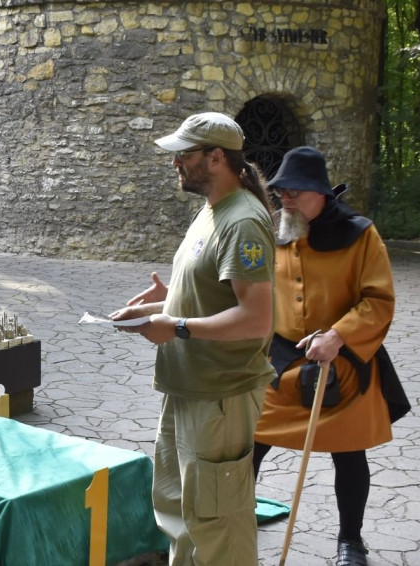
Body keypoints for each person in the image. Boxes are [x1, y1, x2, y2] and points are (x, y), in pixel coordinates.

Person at [111, 112, 276, 565]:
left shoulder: (242, 222)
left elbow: (257, 318)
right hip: (187, 387)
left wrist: (178, 325)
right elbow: (213, 295)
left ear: (216, 157)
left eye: (184, 154)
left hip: (220, 396)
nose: (175, 163)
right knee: (178, 512)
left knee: (217, 524)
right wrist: (163, 303)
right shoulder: (211, 212)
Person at [252, 146, 410, 566]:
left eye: (294, 192)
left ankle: (350, 542)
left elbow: (379, 300)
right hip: (281, 361)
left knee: (349, 453)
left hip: (342, 364)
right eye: (280, 191)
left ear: (321, 193)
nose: (285, 199)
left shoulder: (361, 234)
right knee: (249, 444)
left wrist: (338, 335)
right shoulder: (273, 229)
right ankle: (232, 518)